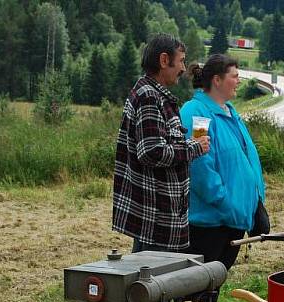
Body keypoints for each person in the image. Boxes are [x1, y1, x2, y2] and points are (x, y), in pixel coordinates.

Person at [112, 34, 211, 253]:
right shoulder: (149, 97)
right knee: (152, 282)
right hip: (155, 219)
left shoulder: (154, 94)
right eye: (182, 60)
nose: (184, 68)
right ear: (164, 60)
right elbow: (152, 152)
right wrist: (195, 147)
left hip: (160, 219)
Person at [179, 54, 266, 272]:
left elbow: (245, 161)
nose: (239, 81)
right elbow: (199, 165)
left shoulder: (230, 113)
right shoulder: (198, 113)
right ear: (217, 80)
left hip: (233, 220)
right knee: (197, 292)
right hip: (210, 224)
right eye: (234, 76)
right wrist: (226, 203)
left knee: (213, 287)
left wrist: (256, 206)